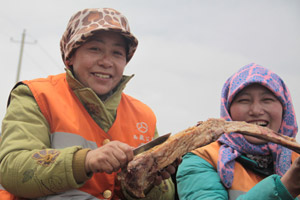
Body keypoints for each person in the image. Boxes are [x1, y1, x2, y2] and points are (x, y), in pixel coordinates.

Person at [0, 8, 176, 200]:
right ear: (70, 56)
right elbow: (11, 169)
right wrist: (85, 160)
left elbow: (165, 194)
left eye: (117, 53)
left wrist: (149, 181)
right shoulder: (37, 96)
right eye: (95, 49)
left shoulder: (144, 116)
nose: (106, 62)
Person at [176, 63, 300, 199]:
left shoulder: (295, 160)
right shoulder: (202, 159)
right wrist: (285, 187)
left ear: (285, 109)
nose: (256, 111)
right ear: (227, 110)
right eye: (244, 100)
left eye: (267, 100)